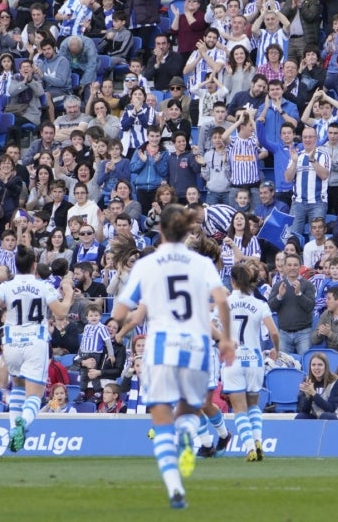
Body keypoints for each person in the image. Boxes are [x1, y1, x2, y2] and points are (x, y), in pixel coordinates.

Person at [111, 205, 234, 509]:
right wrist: (228, 339)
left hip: (161, 346)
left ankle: (175, 487)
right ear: (186, 231)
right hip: (196, 345)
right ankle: (191, 436)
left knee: (162, 418)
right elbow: (222, 301)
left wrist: (121, 321)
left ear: (161, 230)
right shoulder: (202, 263)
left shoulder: (147, 265)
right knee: (190, 409)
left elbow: (119, 311)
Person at [0, 246, 74, 452]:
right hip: (35, 342)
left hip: (12, 342)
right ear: (34, 265)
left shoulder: (6, 286)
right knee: (34, 395)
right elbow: (61, 313)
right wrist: (68, 294)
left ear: (16, 265)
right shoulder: (43, 286)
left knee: (18, 385)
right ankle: (23, 422)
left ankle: (14, 429)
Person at [223, 263, 279, 461]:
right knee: (253, 405)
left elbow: (212, 326)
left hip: (233, 359)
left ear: (232, 281)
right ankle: (258, 441)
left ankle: (249, 449)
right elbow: (273, 331)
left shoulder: (224, 302)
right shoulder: (259, 304)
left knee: (239, 408)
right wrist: (277, 350)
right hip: (254, 359)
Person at [267, 253, 316, 356]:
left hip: (304, 333)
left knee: (305, 364)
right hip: (283, 333)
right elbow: (270, 307)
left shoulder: (308, 285)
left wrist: (299, 294)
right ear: (284, 267)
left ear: (300, 267)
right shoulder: (277, 286)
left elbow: (310, 307)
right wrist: (279, 296)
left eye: (295, 265)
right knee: (283, 364)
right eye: (289, 265)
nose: (292, 268)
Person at [295, 352, 338, 420]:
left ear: (326, 367)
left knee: (325, 416)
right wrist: (308, 397)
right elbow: (304, 411)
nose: (316, 368)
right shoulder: (307, 381)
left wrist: (314, 394)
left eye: (320, 365)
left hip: (336, 417)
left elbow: (331, 409)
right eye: (313, 365)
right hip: (317, 417)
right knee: (300, 417)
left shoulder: (337, 382)